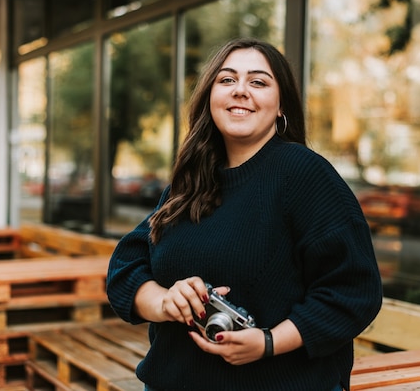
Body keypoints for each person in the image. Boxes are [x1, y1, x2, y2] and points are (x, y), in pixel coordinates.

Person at [106, 37, 383, 391]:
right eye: (226, 80)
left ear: (281, 105)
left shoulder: (304, 175)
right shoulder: (192, 180)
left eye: (258, 81)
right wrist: (165, 301)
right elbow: (125, 268)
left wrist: (269, 343)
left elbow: (354, 289)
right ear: (210, 97)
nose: (240, 91)